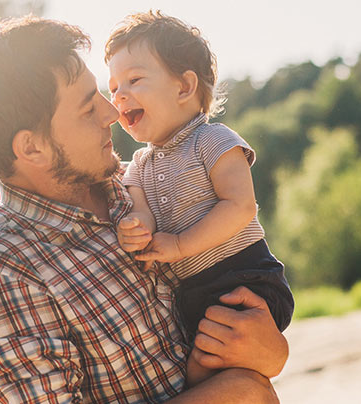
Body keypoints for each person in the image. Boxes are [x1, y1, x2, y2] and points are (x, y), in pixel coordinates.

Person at [0, 15, 287, 403]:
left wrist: (271, 352)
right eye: (89, 108)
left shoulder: (138, 184)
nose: (112, 113)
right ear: (31, 147)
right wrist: (238, 392)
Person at [105, 11, 294, 384]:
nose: (119, 95)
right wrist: (135, 229)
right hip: (192, 293)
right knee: (205, 368)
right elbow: (143, 214)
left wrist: (178, 244)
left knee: (207, 367)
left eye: (134, 79)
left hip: (244, 276)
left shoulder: (213, 140)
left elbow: (240, 206)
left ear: (184, 87)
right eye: (113, 87)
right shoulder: (139, 164)